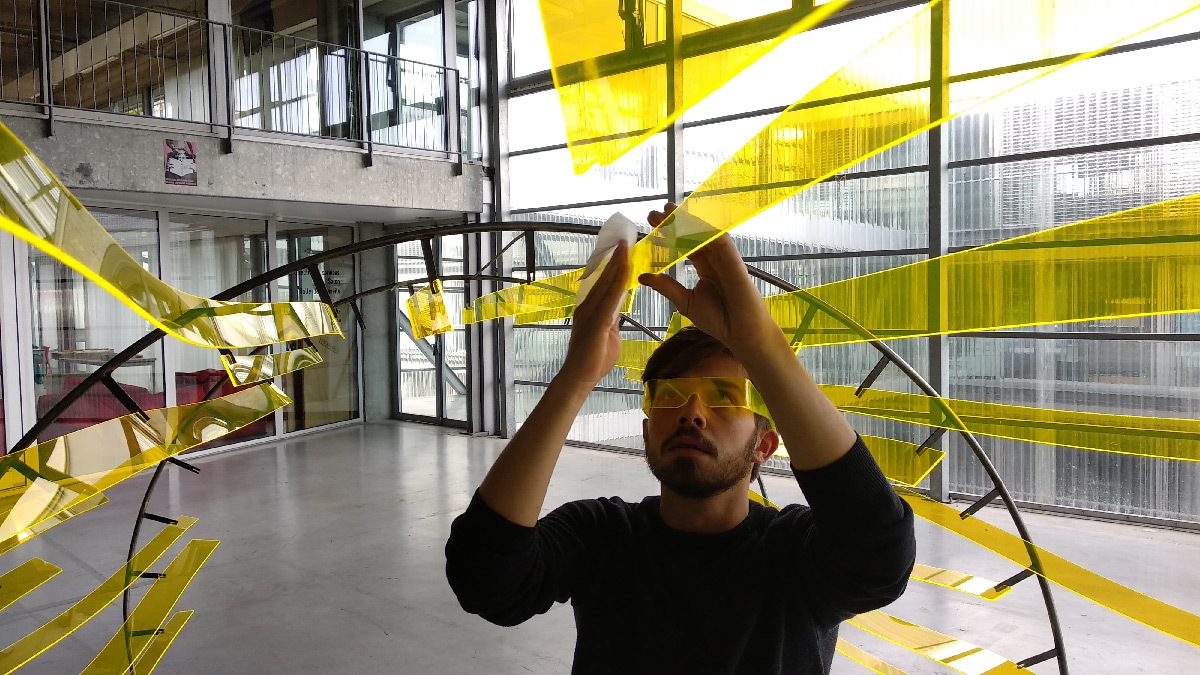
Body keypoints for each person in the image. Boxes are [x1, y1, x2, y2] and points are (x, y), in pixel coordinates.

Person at [445, 204, 916, 674]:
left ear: (764, 446)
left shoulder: (793, 553)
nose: (691, 413)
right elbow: (487, 581)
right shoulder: (603, 535)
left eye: (723, 397)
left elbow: (879, 554)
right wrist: (576, 375)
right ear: (647, 430)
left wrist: (760, 343)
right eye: (669, 396)